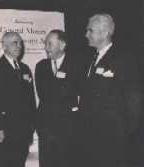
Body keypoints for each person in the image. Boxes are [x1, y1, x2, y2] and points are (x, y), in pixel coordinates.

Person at [76, 14, 142, 167]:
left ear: (104, 33)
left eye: (90, 31)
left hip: (112, 137)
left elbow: (134, 98)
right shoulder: (90, 59)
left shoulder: (124, 59)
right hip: (89, 136)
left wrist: (125, 130)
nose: (86, 35)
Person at [0, 32, 36, 167]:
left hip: (22, 132)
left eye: (20, 43)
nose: (19, 46)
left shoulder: (25, 69)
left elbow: (30, 100)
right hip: (4, 132)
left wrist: (31, 125)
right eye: (15, 43)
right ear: (4, 45)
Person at [35, 29, 83, 167]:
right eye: (45, 44)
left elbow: (74, 93)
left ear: (62, 45)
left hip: (68, 130)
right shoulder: (41, 66)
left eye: (49, 44)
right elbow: (44, 94)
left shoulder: (77, 65)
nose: (46, 47)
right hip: (46, 130)